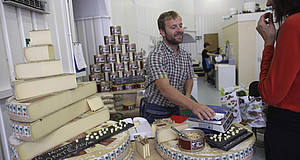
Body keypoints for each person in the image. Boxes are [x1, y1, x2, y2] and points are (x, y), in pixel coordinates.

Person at [142, 11, 215, 123]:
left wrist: (186, 97)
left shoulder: (185, 54)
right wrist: (193, 105)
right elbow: (164, 89)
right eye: (173, 27)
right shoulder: (156, 55)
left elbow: (189, 77)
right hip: (155, 111)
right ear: (162, 32)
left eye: (180, 26)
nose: (179, 30)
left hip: (175, 108)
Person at [256, 0, 300, 159]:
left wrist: (269, 43)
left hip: (289, 127)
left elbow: (270, 94)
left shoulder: (294, 24)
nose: (268, 2)